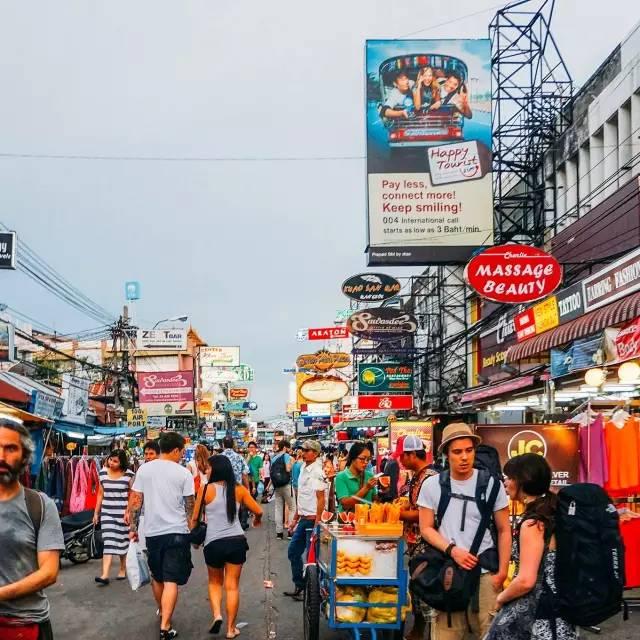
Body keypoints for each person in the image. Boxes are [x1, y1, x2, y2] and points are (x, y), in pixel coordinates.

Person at [417, 423, 511, 640]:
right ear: (446, 455)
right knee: (447, 633)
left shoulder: (492, 485)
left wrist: (503, 572)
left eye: (469, 450)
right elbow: (426, 528)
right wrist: (452, 550)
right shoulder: (432, 485)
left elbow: (504, 529)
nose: (464, 457)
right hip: (449, 571)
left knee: (489, 633)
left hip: (485, 572)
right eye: (457, 452)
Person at [485, 454, 577, 640]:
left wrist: (501, 598)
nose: (505, 482)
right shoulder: (556, 512)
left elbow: (526, 580)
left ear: (523, 481)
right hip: (560, 611)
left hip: (537, 614)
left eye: (509, 478)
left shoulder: (533, 524)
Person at [0, 416, 64, 640]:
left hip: (23, 625)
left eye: (10, 449)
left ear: (25, 457)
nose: (1, 457)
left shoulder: (39, 505)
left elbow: (49, 573)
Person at [129, 432, 195, 640]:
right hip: (177, 532)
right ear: (175, 450)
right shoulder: (183, 473)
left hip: (152, 532)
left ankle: (162, 612)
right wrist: (192, 530)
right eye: (182, 451)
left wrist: (133, 527)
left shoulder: (144, 470)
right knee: (171, 579)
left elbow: (135, 502)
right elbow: (190, 507)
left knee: (158, 577)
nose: (182, 455)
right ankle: (165, 625)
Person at [191, 455, 262, 638]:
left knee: (215, 582)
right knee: (232, 586)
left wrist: (194, 539)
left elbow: (195, 518)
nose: (206, 470)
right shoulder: (238, 489)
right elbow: (258, 510)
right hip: (236, 541)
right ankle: (231, 629)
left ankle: (217, 615)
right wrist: (257, 520)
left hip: (213, 543)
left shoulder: (205, 489)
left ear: (215, 470)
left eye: (208, 468)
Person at [397, 435, 438, 640]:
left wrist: (397, 513)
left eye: (402, 456)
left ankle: (427, 633)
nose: (400, 460)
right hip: (416, 543)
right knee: (417, 588)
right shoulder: (418, 475)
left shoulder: (429, 478)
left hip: (427, 544)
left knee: (424, 589)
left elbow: (424, 514)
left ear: (412, 454)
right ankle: (419, 632)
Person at [283, 440, 326, 601]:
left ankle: (314, 593)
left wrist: (317, 523)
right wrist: (295, 518)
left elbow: (320, 499)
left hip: (313, 519)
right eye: (304, 449)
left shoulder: (317, 471)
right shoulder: (302, 468)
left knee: (312, 560)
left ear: (315, 453)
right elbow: (301, 496)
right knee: (293, 551)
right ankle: (300, 585)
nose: (304, 452)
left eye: (308, 450)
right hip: (303, 519)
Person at [93, 449, 134, 585]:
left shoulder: (129, 475)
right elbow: (100, 493)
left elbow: (132, 495)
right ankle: (105, 575)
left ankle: (123, 568)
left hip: (123, 514)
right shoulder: (103, 473)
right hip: (107, 513)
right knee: (109, 541)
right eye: (111, 459)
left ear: (122, 462)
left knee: (123, 542)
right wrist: (96, 512)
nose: (112, 463)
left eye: (115, 461)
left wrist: (129, 511)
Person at [334, 442, 378, 512]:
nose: (366, 462)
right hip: (348, 521)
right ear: (353, 458)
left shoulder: (370, 476)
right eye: (362, 459)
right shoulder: (341, 477)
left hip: (367, 520)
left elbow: (375, 501)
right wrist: (366, 488)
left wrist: (384, 491)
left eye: (368, 459)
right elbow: (345, 504)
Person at [221, 436, 251, 530]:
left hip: (222, 489)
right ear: (233, 445)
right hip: (237, 488)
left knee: (224, 510)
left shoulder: (219, 458)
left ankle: (226, 528)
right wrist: (247, 489)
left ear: (223, 445)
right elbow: (244, 474)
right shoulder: (239, 457)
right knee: (237, 509)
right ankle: (236, 529)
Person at [271, 440, 295, 540]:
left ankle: (279, 533)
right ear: (285, 447)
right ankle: (290, 531)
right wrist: (292, 462)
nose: (290, 450)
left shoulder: (274, 458)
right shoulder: (286, 456)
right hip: (286, 485)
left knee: (278, 508)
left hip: (277, 486)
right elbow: (288, 469)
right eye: (288, 447)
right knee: (292, 507)